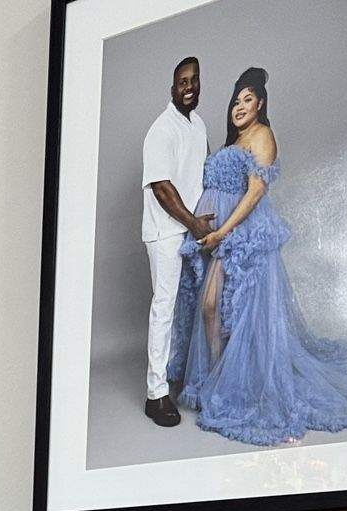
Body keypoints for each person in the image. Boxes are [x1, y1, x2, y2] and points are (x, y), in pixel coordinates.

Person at [167, 68, 347, 446]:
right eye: (236, 101)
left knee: (219, 307)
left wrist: (223, 232)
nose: (239, 107)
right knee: (213, 308)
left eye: (248, 100)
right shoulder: (235, 141)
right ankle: (219, 378)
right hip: (214, 232)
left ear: (261, 104)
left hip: (240, 233)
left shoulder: (263, 135)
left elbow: (256, 192)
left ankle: (228, 385)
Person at [141, 57, 211, 427]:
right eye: (182, 81)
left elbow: (203, 172)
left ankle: (185, 377)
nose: (189, 87)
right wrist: (193, 224)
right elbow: (162, 188)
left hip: (190, 229)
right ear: (172, 88)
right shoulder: (161, 129)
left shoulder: (197, 124)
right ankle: (156, 395)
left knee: (192, 306)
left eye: (194, 80)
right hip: (166, 231)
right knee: (164, 307)